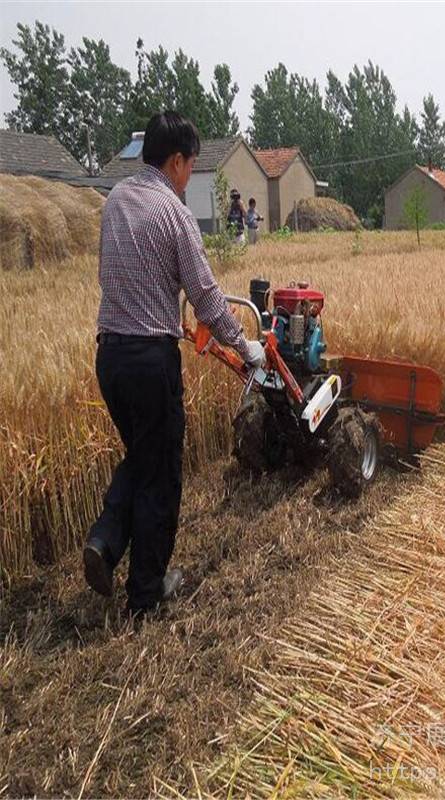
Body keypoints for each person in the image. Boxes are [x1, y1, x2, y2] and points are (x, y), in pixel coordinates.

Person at [84, 112, 266, 616]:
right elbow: (205, 294)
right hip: (149, 360)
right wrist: (243, 343)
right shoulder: (174, 212)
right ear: (178, 160)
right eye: (190, 165)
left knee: (142, 456)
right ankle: (147, 592)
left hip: (111, 356)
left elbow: (107, 273)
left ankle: (103, 541)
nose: (189, 176)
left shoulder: (115, 202)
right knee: (161, 473)